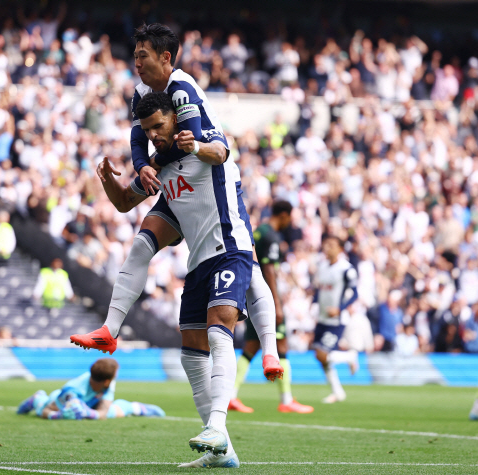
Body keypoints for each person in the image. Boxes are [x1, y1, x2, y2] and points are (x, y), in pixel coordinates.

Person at [71, 25, 282, 394]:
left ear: (166, 57)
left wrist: (151, 162)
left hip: (211, 179)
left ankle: (271, 349)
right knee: (140, 245)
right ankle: (109, 330)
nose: (136, 64)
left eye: (143, 56)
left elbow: (184, 144)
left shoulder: (181, 88)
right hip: (176, 182)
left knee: (246, 261)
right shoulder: (143, 95)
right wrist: (142, 166)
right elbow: (141, 138)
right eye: (135, 55)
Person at [80, 92, 282, 468]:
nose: (154, 134)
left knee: (219, 328)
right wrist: (108, 179)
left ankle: (218, 426)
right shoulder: (159, 164)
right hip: (198, 262)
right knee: (191, 350)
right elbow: (125, 201)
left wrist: (199, 144)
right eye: (148, 130)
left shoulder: (202, 137)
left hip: (230, 248)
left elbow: (221, 153)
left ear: (175, 117)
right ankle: (221, 453)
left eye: (159, 125)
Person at [230, 201, 314, 414]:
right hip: (265, 299)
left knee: (250, 348)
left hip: (250, 297)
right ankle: (286, 399)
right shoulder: (271, 236)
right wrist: (275, 303)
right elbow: (267, 270)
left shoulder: (258, 232)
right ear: (284, 215)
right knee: (282, 346)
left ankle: (231, 395)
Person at [17, 358, 164, 420]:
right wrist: (59, 416)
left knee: (116, 412)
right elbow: (47, 411)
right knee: (44, 408)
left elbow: (104, 411)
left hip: (89, 404)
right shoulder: (72, 390)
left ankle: (138, 408)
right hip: (59, 401)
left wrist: (88, 413)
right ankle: (37, 399)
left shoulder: (107, 383)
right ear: (107, 380)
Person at [312, 235, 359, 404]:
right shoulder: (322, 266)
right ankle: (337, 392)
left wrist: (340, 309)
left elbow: (355, 294)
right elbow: (319, 290)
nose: (327, 248)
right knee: (319, 355)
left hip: (337, 319)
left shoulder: (347, 269)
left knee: (322, 354)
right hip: (322, 317)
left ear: (340, 249)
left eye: (331, 245)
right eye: (325, 244)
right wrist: (314, 304)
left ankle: (350, 357)